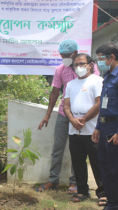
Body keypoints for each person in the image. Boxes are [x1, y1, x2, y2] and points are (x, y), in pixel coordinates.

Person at [93, 44, 118, 210]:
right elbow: (104, 105)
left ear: (111, 57)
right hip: (104, 126)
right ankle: (110, 201)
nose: (99, 62)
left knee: (116, 169)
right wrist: (97, 126)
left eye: (101, 58)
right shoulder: (108, 76)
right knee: (105, 166)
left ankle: (116, 204)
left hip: (116, 127)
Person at [37, 39, 78, 194]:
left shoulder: (90, 68)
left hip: (82, 115)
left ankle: (75, 182)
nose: (64, 58)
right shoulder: (61, 69)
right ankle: (53, 180)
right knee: (58, 147)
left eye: (67, 55)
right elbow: (55, 91)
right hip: (63, 113)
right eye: (62, 55)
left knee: (77, 149)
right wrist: (47, 114)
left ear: (75, 53)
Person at [63, 53, 104, 202]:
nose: (79, 67)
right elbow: (66, 105)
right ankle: (82, 190)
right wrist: (73, 120)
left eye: (82, 63)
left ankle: (103, 193)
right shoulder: (71, 84)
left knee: (97, 162)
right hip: (74, 131)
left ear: (90, 64)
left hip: (92, 130)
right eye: (76, 64)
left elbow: (99, 104)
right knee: (78, 162)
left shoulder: (97, 81)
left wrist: (84, 119)